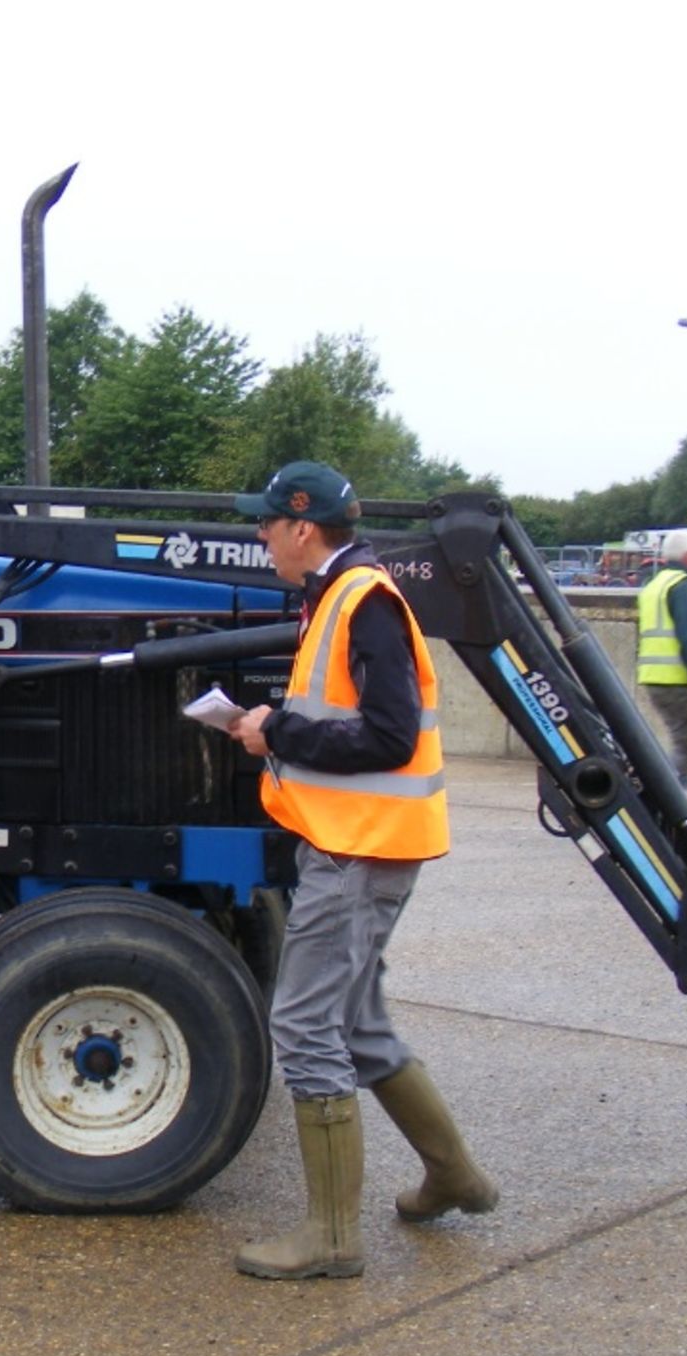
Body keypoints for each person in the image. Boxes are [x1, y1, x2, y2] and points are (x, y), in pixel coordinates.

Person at [225, 461, 496, 1281]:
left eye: (267, 525)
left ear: (303, 527)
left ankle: (333, 1237)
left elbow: (387, 736)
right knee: (354, 1022)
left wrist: (281, 735)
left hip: (360, 849)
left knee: (306, 1025)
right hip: (362, 841)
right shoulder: (339, 597)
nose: (262, 538)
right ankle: (454, 1175)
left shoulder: (364, 600)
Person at [635, 531, 687, 796]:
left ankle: (672, 789)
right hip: (674, 677)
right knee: (685, 742)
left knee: (679, 737)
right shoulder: (682, 587)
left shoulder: (654, 585)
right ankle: (677, 797)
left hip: (651, 673)